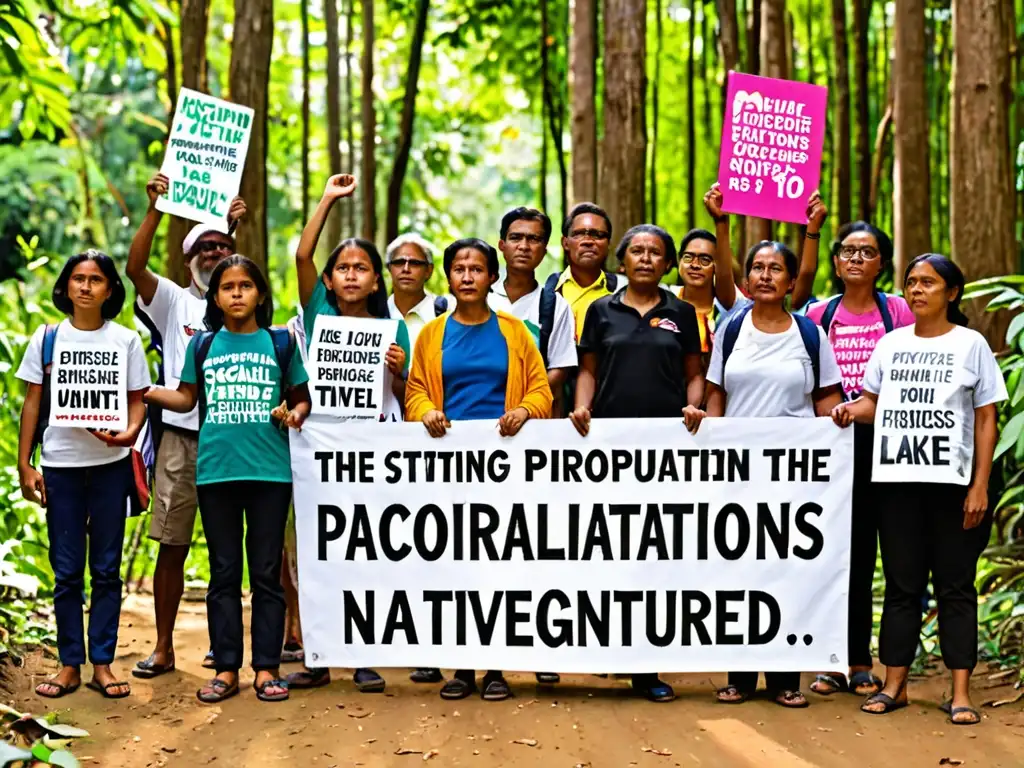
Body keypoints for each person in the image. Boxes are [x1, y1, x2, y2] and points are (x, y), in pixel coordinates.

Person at [832, 254, 1005, 726]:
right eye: (911, 282)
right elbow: (872, 402)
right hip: (896, 485)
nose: (917, 290)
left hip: (953, 486)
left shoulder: (972, 345)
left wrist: (979, 486)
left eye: (929, 282)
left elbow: (988, 418)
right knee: (903, 589)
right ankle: (895, 686)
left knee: (955, 588)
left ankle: (961, 692)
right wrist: (850, 411)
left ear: (952, 293)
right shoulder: (889, 344)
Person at [144, 255, 310, 704]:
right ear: (215, 298)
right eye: (227, 287)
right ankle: (226, 668)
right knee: (222, 573)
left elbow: (301, 400)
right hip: (216, 471)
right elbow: (184, 398)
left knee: (266, 574)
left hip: (270, 473)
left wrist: (291, 414)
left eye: (245, 286)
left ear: (259, 294)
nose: (237, 293)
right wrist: (142, 389)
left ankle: (267, 668)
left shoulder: (280, 343)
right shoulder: (203, 346)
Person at [406, 237, 552, 701]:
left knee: (500, 569)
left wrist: (525, 412)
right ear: (447, 277)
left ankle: (496, 668)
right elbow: (413, 391)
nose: (468, 277)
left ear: (492, 277)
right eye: (459, 269)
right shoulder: (431, 334)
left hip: (505, 470)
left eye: (477, 269)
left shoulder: (514, 331)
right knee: (454, 570)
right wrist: (426, 409)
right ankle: (461, 668)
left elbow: (542, 391)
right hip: (447, 470)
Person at [568, 224, 705, 703]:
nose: (645, 258)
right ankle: (607, 650)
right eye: (637, 251)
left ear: (667, 264)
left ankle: (647, 666)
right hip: (607, 451)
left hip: (666, 455)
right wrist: (581, 408)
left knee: (654, 558)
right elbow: (588, 370)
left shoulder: (683, 312)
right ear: (621, 261)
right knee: (609, 553)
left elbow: (695, 375)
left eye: (655, 252)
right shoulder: (600, 310)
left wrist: (694, 408)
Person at [706, 240, 844, 709]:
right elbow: (715, 394)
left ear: (790, 282)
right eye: (758, 268)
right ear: (746, 280)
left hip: (795, 480)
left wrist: (840, 425)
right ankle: (740, 678)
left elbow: (826, 398)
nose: (766, 275)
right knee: (739, 573)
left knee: (788, 573)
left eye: (776, 269)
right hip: (738, 477)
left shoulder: (810, 335)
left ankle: (786, 679)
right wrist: (710, 438)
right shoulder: (730, 329)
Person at [285, 173, 409, 694]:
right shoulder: (316, 315)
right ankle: (319, 656)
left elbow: (406, 393)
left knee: (365, 552)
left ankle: (363, 655)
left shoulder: (395, 327)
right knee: (317, 555)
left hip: (370, 453)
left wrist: (400, 369)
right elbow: (301, 257)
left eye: (361, 269)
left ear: (376, 282)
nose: (352, 275)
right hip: (318, 451)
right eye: (343, 269)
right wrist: (328, 200)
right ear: (330, 281)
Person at [126, 172, 247, 678]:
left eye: (223, 246)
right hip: (179, 437)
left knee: (227, 552)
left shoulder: (242, 300)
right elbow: (135, 268)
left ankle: (225, 648)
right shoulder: (174, 300)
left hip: (232, 440)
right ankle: (163, 647)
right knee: (172, 545)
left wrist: (236, 234)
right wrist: (154, 208)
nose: (214, 253)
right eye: (205, 246)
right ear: (187, 257)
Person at [18, 251, 151, 699]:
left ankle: (104, 664)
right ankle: (69, 663)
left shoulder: (126, 340)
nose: (86, 286)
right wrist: (24, 463)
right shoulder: (48, 339)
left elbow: (138, 400)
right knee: (67, 570)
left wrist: (129, 434)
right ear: (66, 286)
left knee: (107, 570)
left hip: (111, 469)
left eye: (96, 279)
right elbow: (33, 402)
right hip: (61, 468)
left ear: (110, 289)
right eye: (78, 278)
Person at [804, 222, 915, 699]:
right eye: (847, 250)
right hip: (830, 444)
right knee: (835, 554)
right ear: (835, 261)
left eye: (866, 252)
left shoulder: (899, 311)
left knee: (879, 552)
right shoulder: (817, 313)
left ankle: (873, 660)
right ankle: (834, 659)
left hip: (886, 443)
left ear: (881, 262)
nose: (855, 259)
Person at [547, 202, 619, 341]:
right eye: (578, 234)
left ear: (608, 244)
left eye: (597, 234)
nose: (588, 241)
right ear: (565, 243)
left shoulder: (621, 291)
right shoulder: (548, 293)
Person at [386, 233, 439, 354]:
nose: (406, 269)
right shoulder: (376, 313)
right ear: (389, 268)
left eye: (415, 263)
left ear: (429, 270)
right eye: (399, 262)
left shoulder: (445, 313)